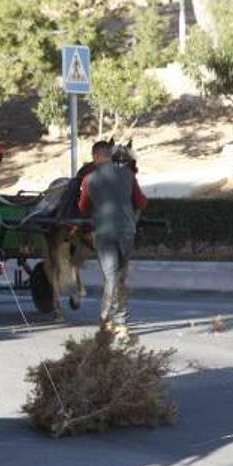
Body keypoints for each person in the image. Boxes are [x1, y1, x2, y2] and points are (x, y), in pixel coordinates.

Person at [77, 141, 147, 331]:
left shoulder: (88, 179)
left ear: (95, 157)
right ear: (110, 154)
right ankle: (115, 318)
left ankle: (110, 317)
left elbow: (83, 208)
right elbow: (141, 202)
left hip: (104, 233)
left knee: (110, 276)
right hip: (127, 232)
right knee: (120, 276)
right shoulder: (128, 175)